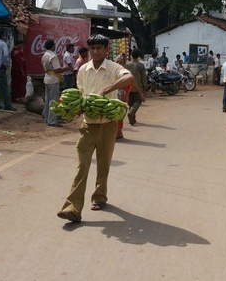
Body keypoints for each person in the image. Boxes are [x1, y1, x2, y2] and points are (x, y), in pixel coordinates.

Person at [57, 34, 134, 223]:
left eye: (99, 48)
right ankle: (72, 207)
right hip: (88, 125)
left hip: (108, 125)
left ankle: (99, 197)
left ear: (107, 49)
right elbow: (81, 94)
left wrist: (106, 90)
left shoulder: (114, 68)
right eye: (92, 48)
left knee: (103, 164)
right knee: (82, 166)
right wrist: (75, 108)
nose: (95, 51)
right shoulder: (83, 69)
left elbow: (129, 77)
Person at [41, 39, 66, 126]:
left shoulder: (44, 55)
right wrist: (65, 68)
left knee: (48, 100)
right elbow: (57, 69)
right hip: (53, 79)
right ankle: (52, 121)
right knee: (53, 101)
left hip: (47, 78)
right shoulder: (53, 56)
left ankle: (47, 118)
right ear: (52, 46)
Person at [125, 48, 147, 125]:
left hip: (128, 86)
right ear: (138, 56)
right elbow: (143, 78)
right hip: (137, 87)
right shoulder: (140, 65)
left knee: (131, 103)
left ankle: (133, 120)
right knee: (138, 101)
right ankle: (131, 113)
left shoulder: (127, 64)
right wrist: (145, 88)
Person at [10, 39, 28, 103]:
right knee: (20, 84)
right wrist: (22, 71)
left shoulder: (12, 51)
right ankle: (19, 98)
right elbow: (19, 62)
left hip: (14, 70)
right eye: (21, 45)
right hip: (19, 71)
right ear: (17, 45)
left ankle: (14, 97)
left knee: (14, 84)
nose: (22, 47)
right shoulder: (18, 52)